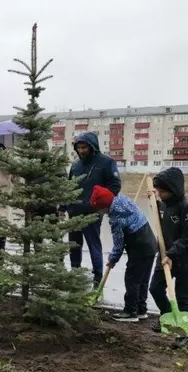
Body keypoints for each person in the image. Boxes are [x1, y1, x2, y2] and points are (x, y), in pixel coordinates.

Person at [149, 167, 188, 349]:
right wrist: (154, 202)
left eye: (162, 191)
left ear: (173, 189)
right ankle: (167, 316)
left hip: (184, 259)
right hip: (165, 256)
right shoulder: (164, 204)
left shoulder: (187, 209)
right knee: (155, 288)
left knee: (182, 296)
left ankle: (184, 332)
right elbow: (161, 220)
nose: (160, 194)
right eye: (158, 191)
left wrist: (172, 254)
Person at [90, 185, 157, 323]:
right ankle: (141, 310)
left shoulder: (116, 219)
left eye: (100, 210)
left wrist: (112, 259)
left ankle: (130, 312)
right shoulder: (122, 199)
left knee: (132, 280)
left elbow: (119, 244)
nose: (101, 213)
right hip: (150, 242)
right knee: (142, 280)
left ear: (104, 207)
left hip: (139, 246)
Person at [64, 132, 122, 287]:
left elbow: (115, 185)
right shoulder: (75, 165)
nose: (81, 151)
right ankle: (75, 273)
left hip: (93, 212)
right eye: (79, 148)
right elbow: (68, 187)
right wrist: (64, 206)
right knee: (74, 245)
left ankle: (97, 277)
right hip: (74, 211)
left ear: (92, 146)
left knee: (93, 244)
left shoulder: (106, 162)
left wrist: (100, 204)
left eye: (84, 147)